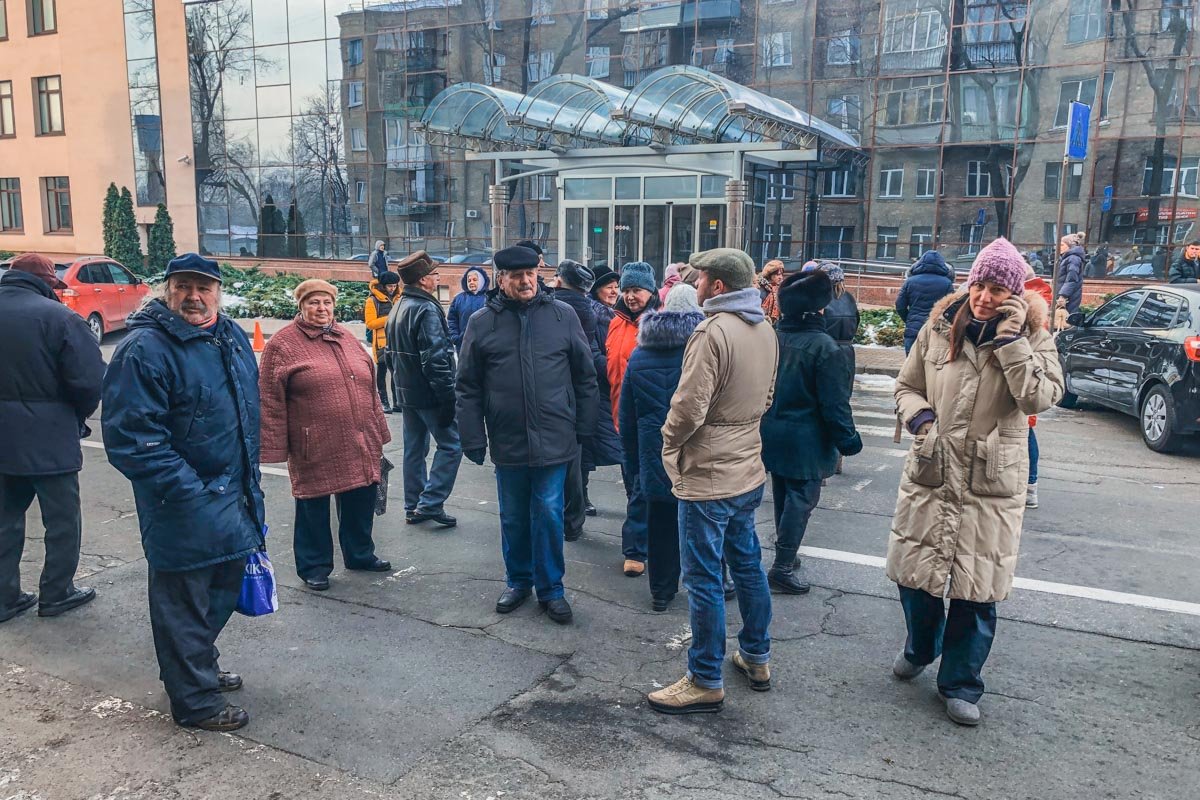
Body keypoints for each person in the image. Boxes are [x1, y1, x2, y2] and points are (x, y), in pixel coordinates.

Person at [888, 237, 1063, 727]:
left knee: (976, 588)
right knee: (916, 576)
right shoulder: (941, 324)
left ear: (1013, 293)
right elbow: (907, 384)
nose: (984, 296)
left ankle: (961, 682)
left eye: (997, 289)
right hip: (933, 467)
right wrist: (921, 420)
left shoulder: (1034, 335)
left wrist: (1011, 344)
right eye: (979, 284)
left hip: (991, 479)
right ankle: (922, 646)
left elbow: (1040, 398)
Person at [102, 253, 265, 732]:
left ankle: (195, 668)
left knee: (221, 591)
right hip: (183, 503)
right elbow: (133, 440)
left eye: (204, 287)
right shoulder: (144, 349)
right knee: (183, 602)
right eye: (184, 287)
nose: (194, 297)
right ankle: (195, 702)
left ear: (217, 291)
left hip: (233, 494)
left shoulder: (230, 335)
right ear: (167, 290)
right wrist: (190, 492)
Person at [648, 248, 778, 715]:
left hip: (708, 472)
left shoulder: (712, 331)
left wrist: (669, 444)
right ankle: (756, 654)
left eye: (700, 278)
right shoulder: (763, 327)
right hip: (747, 464)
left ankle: (705, 677)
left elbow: (688, 408)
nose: (695, 283)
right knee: (746, 564)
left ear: (717, 286)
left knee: (703, 577)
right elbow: (766, 396)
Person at [456, 245, 597, 625]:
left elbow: (585, 376)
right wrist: (472, 436)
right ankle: (518, 580)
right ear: (500, 279)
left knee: (550, 513)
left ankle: (552, 588)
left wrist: (586, 426)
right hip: (508, 438)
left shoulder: (562, 315)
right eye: (516, 275)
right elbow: (467, 385)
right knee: (515, 516)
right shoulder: (482, 322)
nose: (525, 280)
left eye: (531, 273)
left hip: (556, 436)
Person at [258, 279, 393, 591]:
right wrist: (273, 448)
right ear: (301, 305)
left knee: (361, 497)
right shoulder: (283, 344)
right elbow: (270, 400)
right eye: (313, 302)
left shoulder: (345, 336)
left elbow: (370, 389)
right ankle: (314, 566)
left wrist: (379, 432)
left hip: (360, 437)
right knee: (313, 505)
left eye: (327, 302)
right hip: (313, 442)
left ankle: (360, 554)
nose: (321, 308)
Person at [0, 253, 104, 623]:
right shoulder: (60, 319)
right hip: (49, 437)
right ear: (46, 283)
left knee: (6, 519)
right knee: (61, 521)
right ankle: (57, 592)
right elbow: (90, 381)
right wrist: (74, 416)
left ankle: (5, 598)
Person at [760, 270, 862, 595]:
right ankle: (782, 565)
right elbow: (835, 404)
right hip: (807, 437)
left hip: (772, 430)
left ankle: (785, 553)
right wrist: (849, 440)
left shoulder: (773, 337)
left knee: (783, 494)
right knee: (802, 498)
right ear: (819, 309)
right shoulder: (825, 348)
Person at [618, 284, 705, 612]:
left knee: (660, 524)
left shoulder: (641, 353)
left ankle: (661, 591)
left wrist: (631, 460)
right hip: (698, 452)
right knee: (701, 525)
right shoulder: (703, 350)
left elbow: (627, 414)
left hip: (655, 453)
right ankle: (706, 587)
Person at [384, 253, 463, 528]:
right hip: (428, 394)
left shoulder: (399, 305)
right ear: (423, 280)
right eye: (434, 274)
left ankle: (414, 505)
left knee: (414, 449)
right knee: (452, 445)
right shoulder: (426, 309)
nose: (437, 277)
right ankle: (429, 503)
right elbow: (436, 359)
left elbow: (390, 355)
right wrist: (447, 397)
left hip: (407, 393)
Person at [605, 261, 661, 577]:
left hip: (648, 418)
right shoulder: (617, 322)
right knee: (632, 484)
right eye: (626, 290)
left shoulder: (656, 323)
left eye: (636, 290)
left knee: (641, 485)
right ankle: (648, 536)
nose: (630, 296)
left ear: (650, 291)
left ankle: (635, 548)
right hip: (619, 416)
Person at [552, 259, 598, 542]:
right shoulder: (587, 309)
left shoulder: (556, 308)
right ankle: (573, 521)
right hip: (576, 395)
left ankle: (562, 518)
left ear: (560, 280)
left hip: (555, 392)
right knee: (574, 463)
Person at [584, 265, 623, 517]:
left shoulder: (618, 314)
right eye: (608, 286)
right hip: (599, 390)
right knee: (587, 447)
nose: (614, 291)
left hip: (616, 389)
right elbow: (592, 352)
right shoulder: (591, 315)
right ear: (596, 288)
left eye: (616, 286)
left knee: (622, 446)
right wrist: (614, 370)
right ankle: (581, 496)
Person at [1023, 265, 1053, 510]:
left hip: (1023, 384)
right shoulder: (1036, 299)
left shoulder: (1029, 306)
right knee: (1025, 432)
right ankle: (1030, 486)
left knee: (1023, 432)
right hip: (1027, 382)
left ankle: (1030, 485)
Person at [896, 250, 955, 354]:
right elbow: (952, 308)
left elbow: (900, 305)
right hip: (936, 330)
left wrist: (909, 320)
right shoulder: (947, 283)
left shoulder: (910, 281)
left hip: (913, 330)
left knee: (911, 366)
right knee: (932, 366)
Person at [364, 271, 400, 412]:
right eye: (390, 286)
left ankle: (397, 402)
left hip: (397, 340)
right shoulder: (372, 300)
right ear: (383, 286)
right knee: (383, 370)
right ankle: (383, 401)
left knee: (396, 371)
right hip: (381, 341)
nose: (392, 288)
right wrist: (390, 317)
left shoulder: (399, 298)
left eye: (395, 286)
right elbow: (370, 323)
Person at [447, 266, 490, 349]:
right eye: (469, 280)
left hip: (486, 345)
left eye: (475, 280)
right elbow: (452, 319)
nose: (471, 282)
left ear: (482, 280)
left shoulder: (490, 298)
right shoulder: (458, 299)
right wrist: (455, 337)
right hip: (463, 344)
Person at [1055, 232, 1086, 313]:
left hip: (1068, 299)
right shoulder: (1068, 258)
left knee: (1065, 321)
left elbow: (1071, 279)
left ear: (1070, 246)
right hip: (1068, 296)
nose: (1059, 247)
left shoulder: (1073, 258)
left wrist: (1063, 296)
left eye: (1062, 245)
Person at [758, 259, 785, 325]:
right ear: (769, 275)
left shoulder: (781, 289)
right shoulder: (760, 289)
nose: (780, 277)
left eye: (781, 274)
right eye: (777, 275)